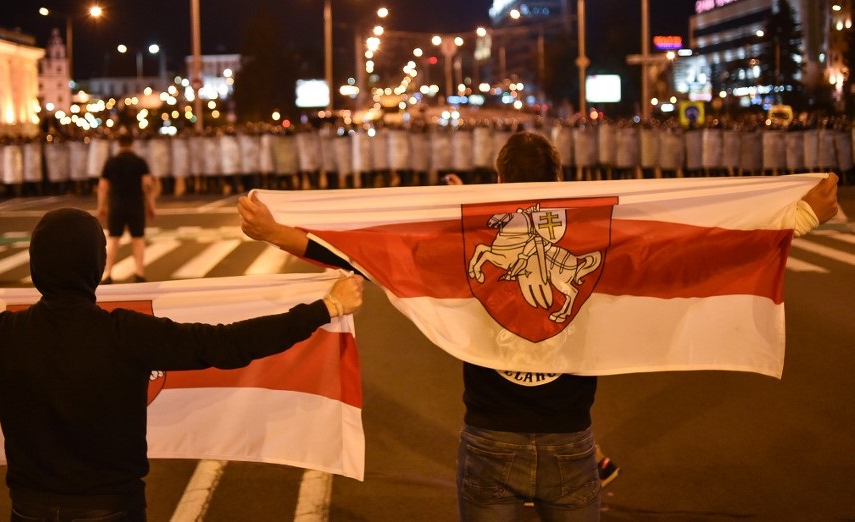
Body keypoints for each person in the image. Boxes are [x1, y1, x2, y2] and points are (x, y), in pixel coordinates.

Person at [239, 130, 839, 521]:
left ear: (501, 181)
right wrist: (802, 217)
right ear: (560, 177)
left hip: (488, 438)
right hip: (571, 442)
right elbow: (691, 253)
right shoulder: (603, 238)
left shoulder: (466, 240)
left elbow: (366, 251)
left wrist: (275, 232)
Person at [0, 207, 364, 521]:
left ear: (37, 266)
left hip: (31, 507)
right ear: (98, 266)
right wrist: (326, 307)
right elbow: (227, 345)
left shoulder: (2, 333)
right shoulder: (125, 333)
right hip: (113, 507)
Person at [98, 133, 156, 284]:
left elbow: (103, 187)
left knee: (113, 239)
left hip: (116, 205)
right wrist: (151, 205)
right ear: (132, 144)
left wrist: (101, 206)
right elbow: (148, 185)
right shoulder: (139, 162)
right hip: (136, 205)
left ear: (119, 144)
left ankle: (108, 273)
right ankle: (139, 273)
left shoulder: (111, 162)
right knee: (138, 239)